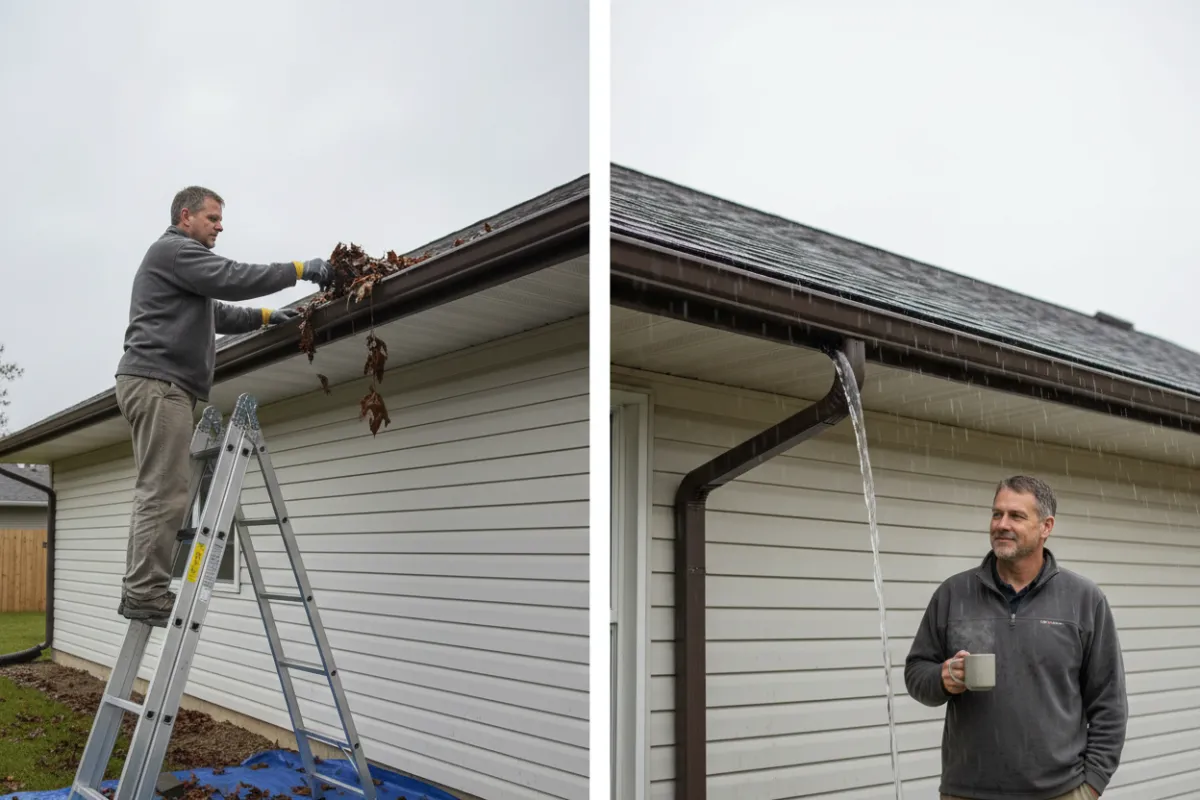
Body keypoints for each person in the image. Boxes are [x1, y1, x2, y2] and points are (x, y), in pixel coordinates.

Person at [113, 185, 333, 627]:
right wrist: (297, 269)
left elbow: (218, 313)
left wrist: (268, 317)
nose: (220, 226)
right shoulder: (174, 251)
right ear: (185, 216)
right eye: (212, 218)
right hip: (160, 384)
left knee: (162, 487)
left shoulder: (181, 268)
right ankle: (144, 593)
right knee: (163, 490)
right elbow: (232, 276)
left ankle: (142, 589)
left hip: (163, 384)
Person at [904, 475, 1127, 800]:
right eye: (997, 514)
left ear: (1046, 526)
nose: (1001, 524)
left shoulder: (1084, 599)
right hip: (966, 792)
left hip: (1059, 792)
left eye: (1016, 516)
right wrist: (943, 677)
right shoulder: (954, 594)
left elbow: (1109, 704)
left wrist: (1090, 786)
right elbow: (916, 674)